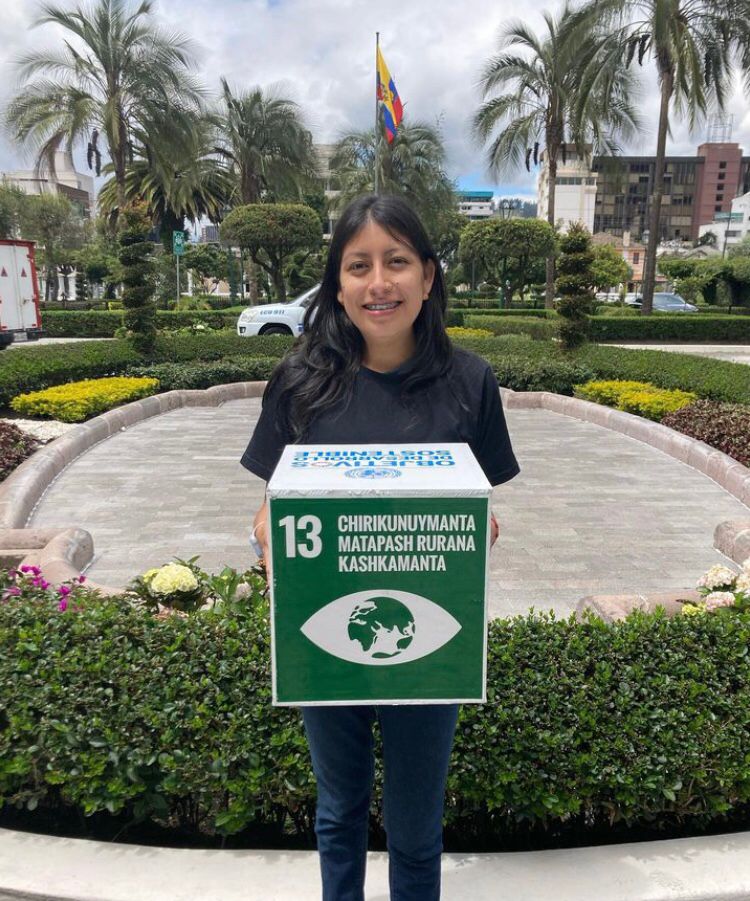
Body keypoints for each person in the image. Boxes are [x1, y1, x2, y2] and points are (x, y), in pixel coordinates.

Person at [240, 193, 519, 901]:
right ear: (337, 284)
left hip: (428, 642)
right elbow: (270, 507)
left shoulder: (471, 382)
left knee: (416, 827)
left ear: (427, 275)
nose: (379, 283)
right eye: (358, 265)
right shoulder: (300, 381)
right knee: (339, 812)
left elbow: (481, 508)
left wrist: (477, 530)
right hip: (325, 636)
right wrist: (268, 537)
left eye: (396, 262)